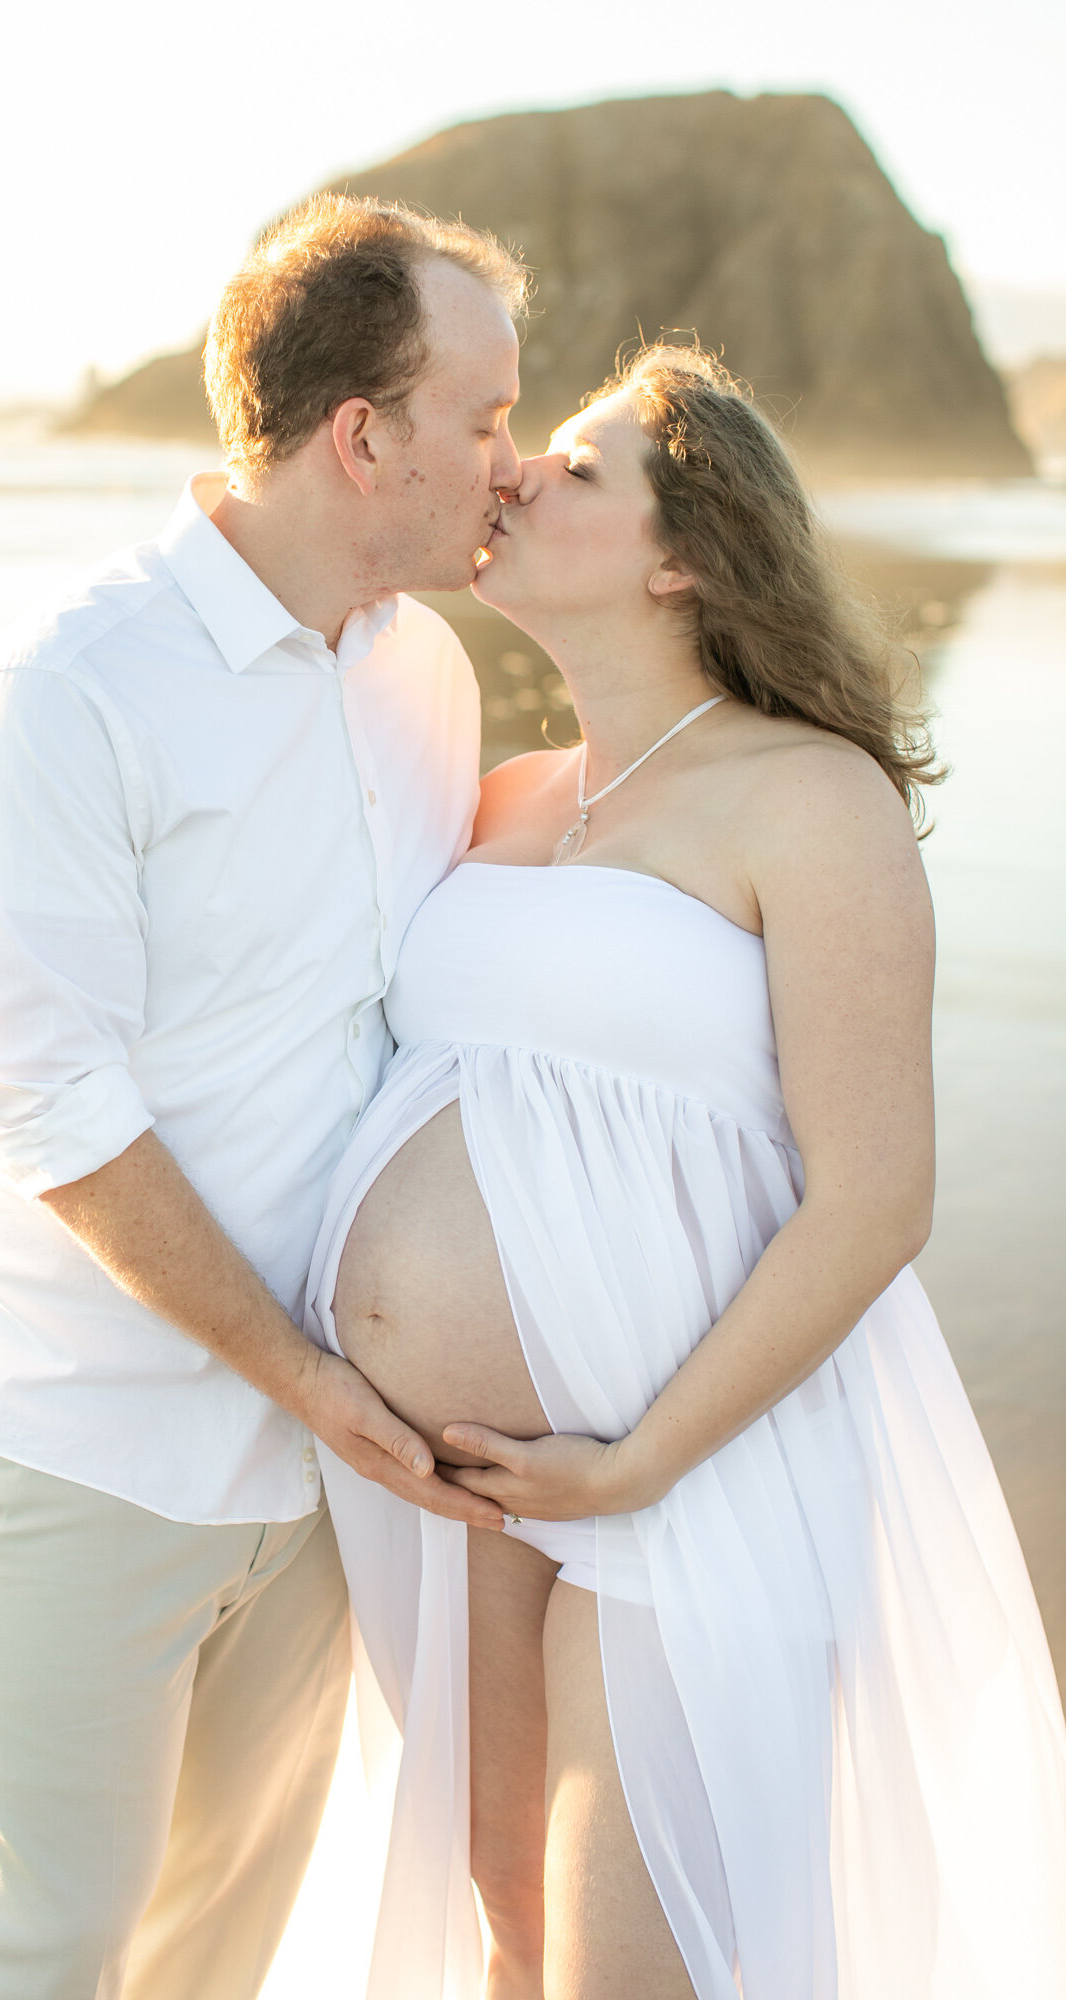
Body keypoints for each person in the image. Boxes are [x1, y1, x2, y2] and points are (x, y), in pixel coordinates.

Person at [306, 345, 1066, 2000]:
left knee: (624, 1969)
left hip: (694, 1471)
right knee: (504, 1937)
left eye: (573, 467)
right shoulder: (501, 796)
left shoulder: (810, 796)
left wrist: (641, 1459)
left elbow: (877, 1195)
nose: (513, 476)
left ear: (684, 555)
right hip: (468, 1492)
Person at [0, 193, 525, 2000]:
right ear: (363, 435)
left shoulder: (418, 671)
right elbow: (48, 1103)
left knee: (215, 1957)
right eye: (482, 422)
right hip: (84, 1437)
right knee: (39, 1950)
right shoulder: (72, 693)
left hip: (332, 1465)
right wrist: (306, 1379)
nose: (511, 460)